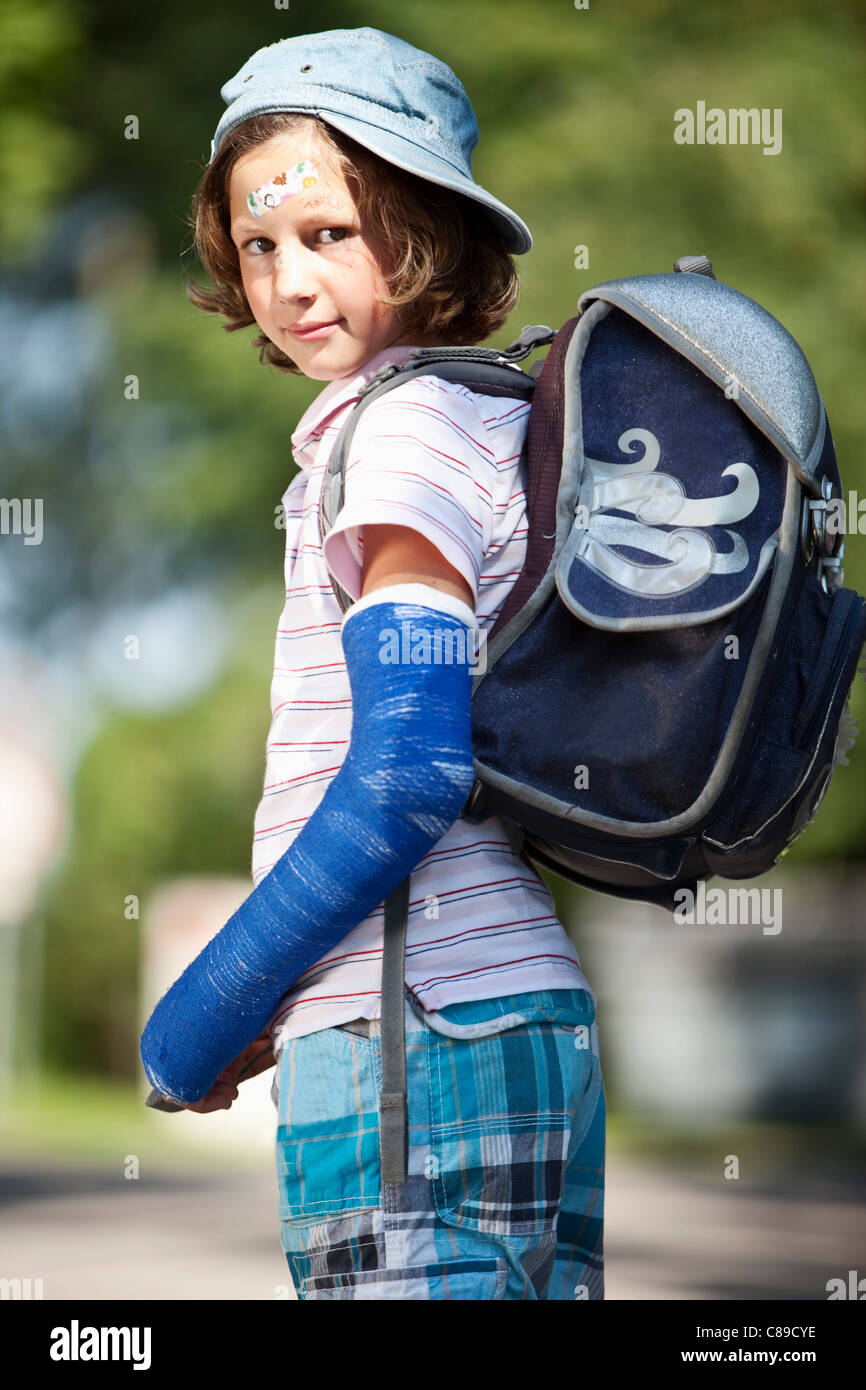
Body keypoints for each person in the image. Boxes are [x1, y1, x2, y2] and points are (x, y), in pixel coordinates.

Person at [151, 26, 605, 1300]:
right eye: (258, 244)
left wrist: (206, 1007)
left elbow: (406, 768)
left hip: (418, 1031)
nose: (289, 281)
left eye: (329, 235)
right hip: (487, 1012)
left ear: (422, 234)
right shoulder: (468, 414)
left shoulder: (397, 437)